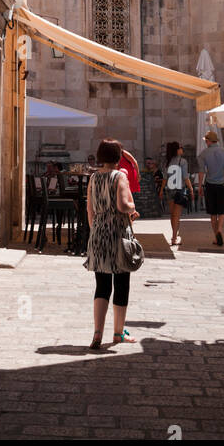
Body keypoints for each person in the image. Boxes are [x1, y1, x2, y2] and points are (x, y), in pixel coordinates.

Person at [85, 138, 139, 349]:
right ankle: (118, 333)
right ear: (117, 157)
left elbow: (90, 210)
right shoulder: (120, 176)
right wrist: (133, 207)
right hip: (117, 236)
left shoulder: (93, 178)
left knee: (102, 285)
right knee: (121, 284)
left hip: (98, 234)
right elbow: (123, 205)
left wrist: (95, 230)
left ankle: (97, 332)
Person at [197, 129, 224, 246]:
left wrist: (199, 186)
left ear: (209, 141)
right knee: (223, 211)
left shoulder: (203, 154)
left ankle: (216, 237)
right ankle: (220, 229)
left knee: (213, 213)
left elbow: (201, 172)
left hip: (210, 186)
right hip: (223, 185)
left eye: (206, 141)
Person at [164, 140, 195, 246]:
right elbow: (186, 177)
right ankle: (174, 237)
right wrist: (191, 189)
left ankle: (173, 237)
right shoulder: (183, 161)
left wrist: (160, 190)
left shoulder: (167, 161)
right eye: (181, 147)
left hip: (169, 190)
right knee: (177, 216)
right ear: (177, 150)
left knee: (172, 215)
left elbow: (165, 178)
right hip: (179, 190)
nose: (182, 149)